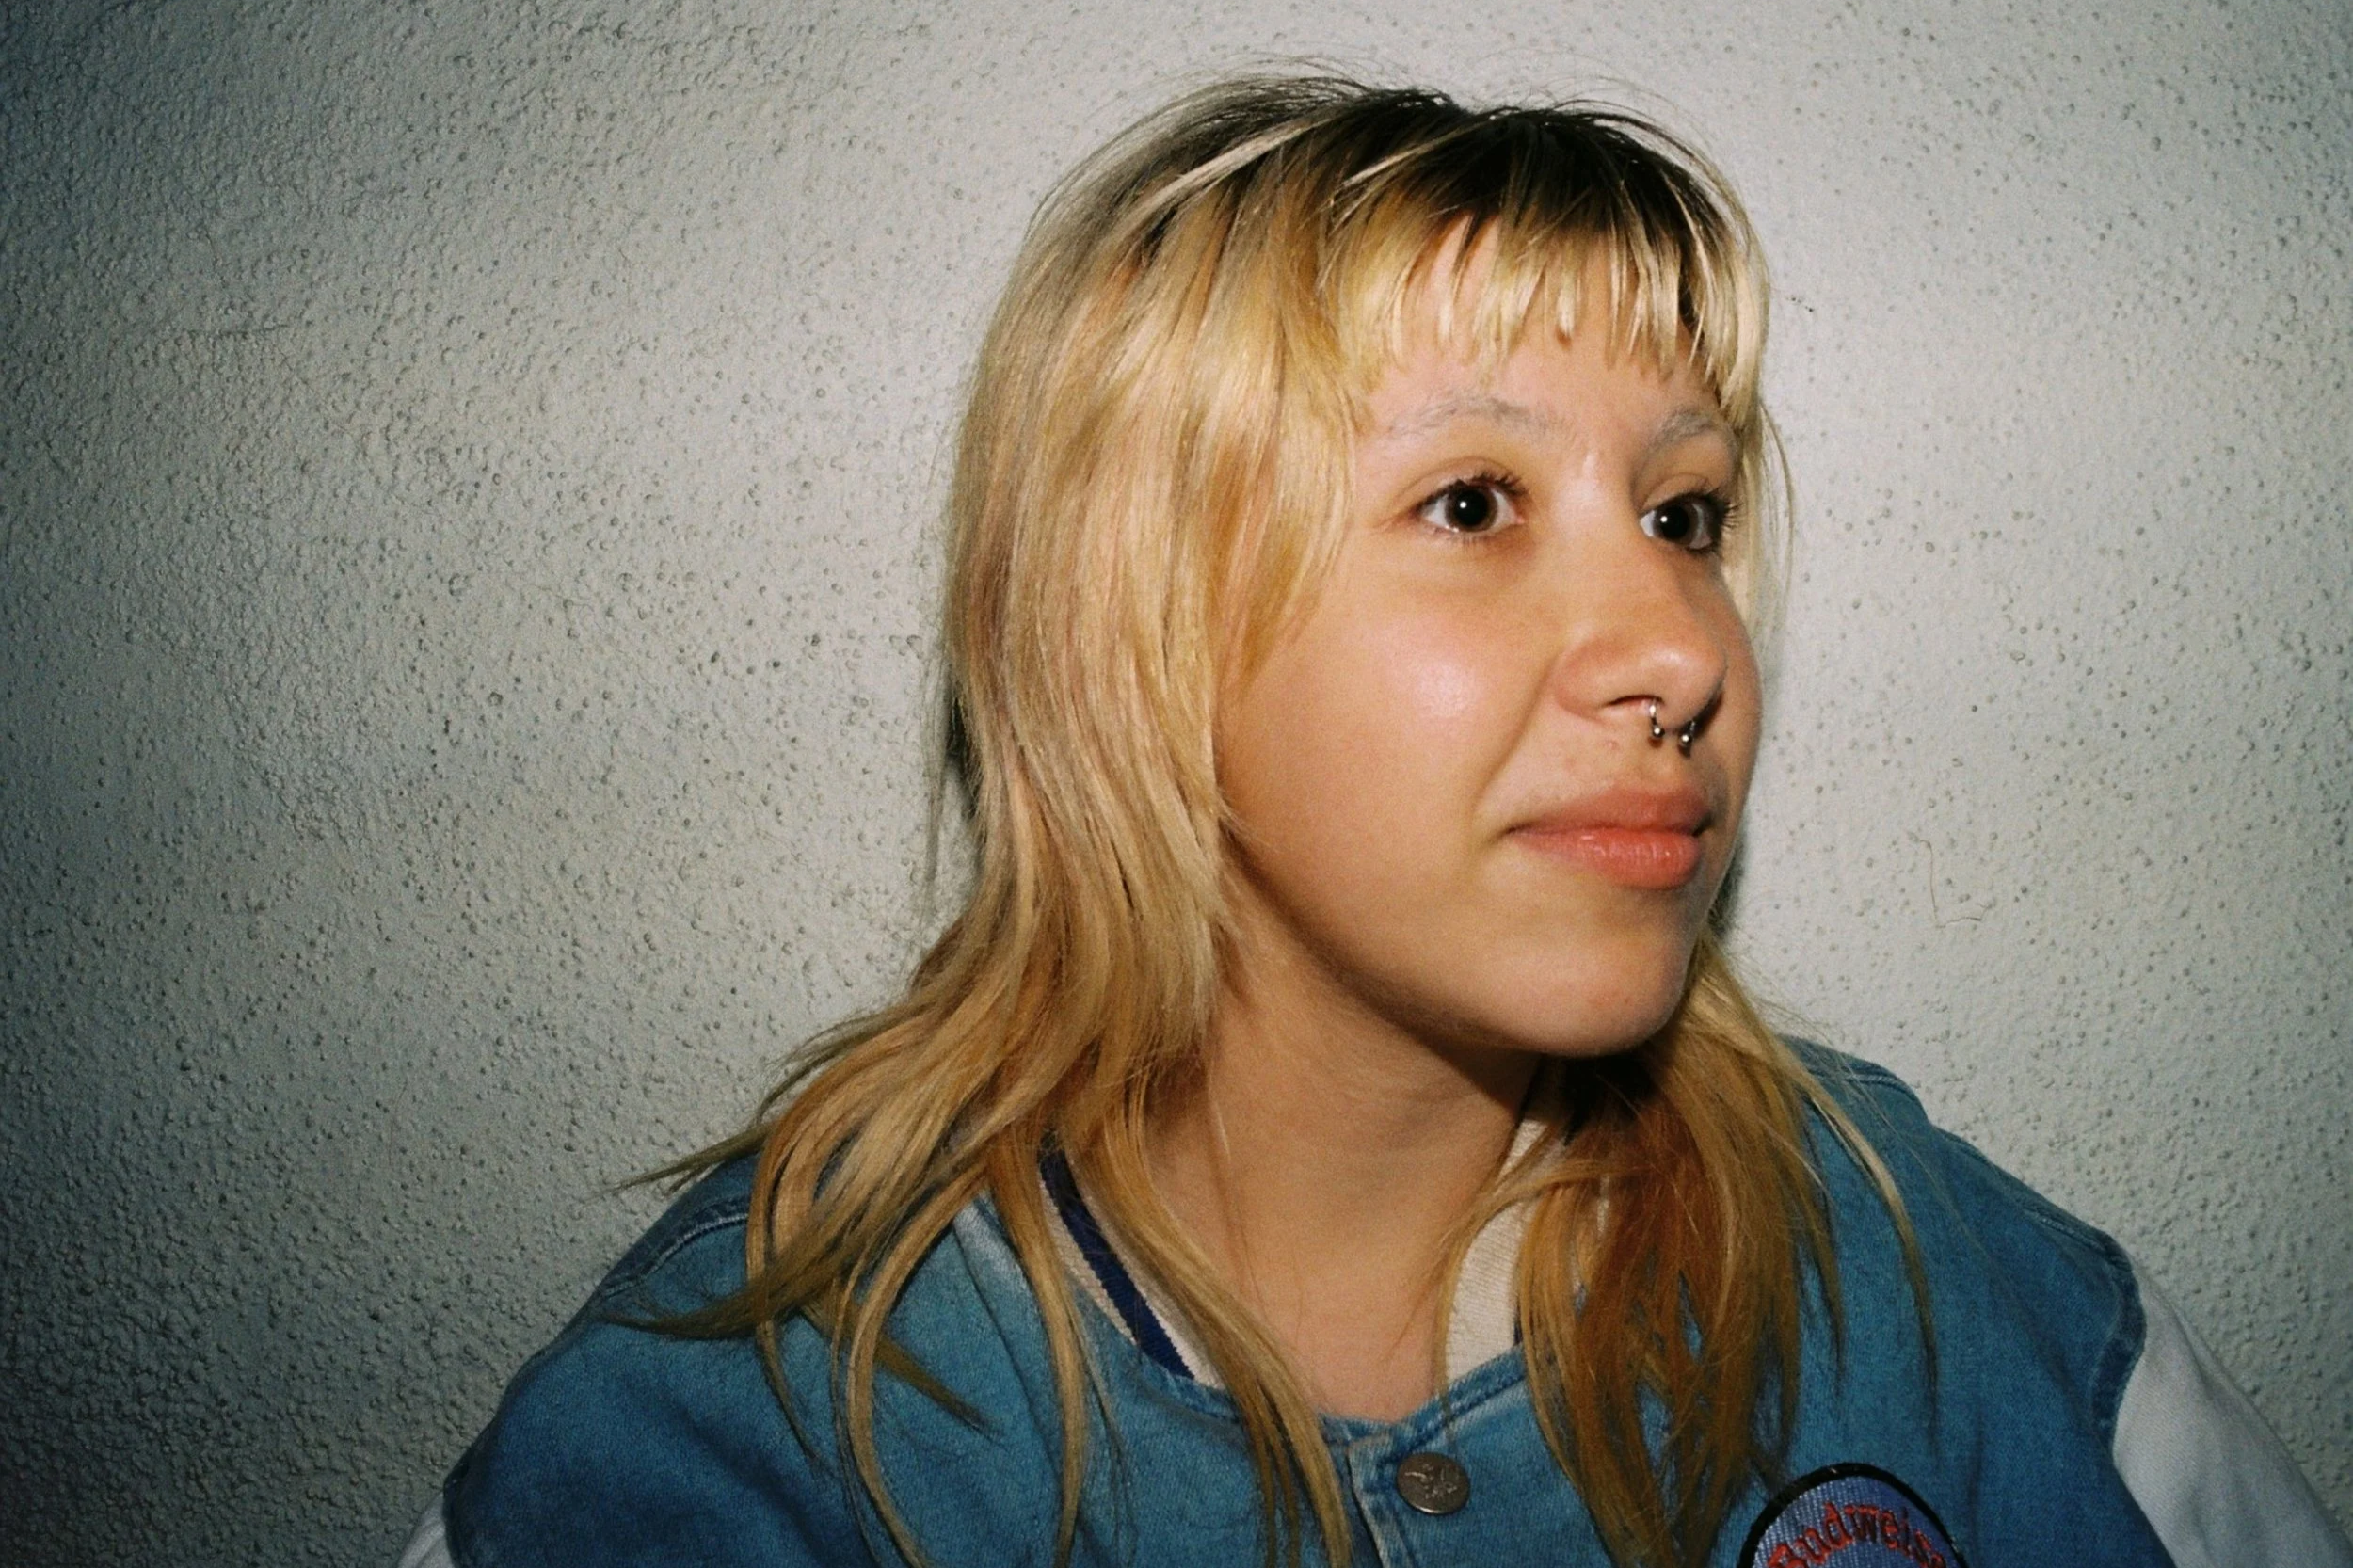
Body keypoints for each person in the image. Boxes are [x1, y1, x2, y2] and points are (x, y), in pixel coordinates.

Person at [401, 78, 2350, 1568]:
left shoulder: (1922, 1272)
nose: (1680, 646)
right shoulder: (767, 1425)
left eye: (1682, 514)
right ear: (1133, 629)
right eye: (1473, 503)